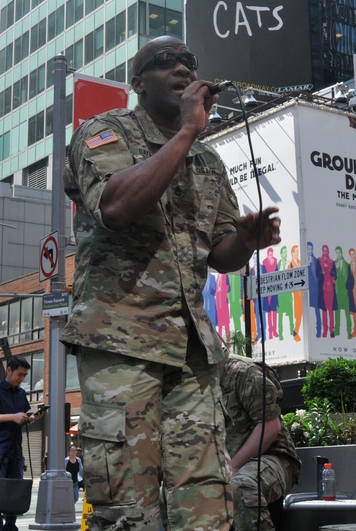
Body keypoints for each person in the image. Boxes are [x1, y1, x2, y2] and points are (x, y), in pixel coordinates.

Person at [61, 35, 282, 531]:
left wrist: (246, 239)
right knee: (128, 506)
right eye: (165, 62)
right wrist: (186, 132)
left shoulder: (208, 162)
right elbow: (116, 207)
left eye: (189, 61)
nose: (182, 69)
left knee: (206, 501)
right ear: (137, 84)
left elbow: (221, 253)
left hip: (192, 352)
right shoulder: (103, 131)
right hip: (121, 340)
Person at [220, 354, 301, 531]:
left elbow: (271, 426)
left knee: (241, 485)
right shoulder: (190, 382)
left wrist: (233, 467)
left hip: (274, 457)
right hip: (224, 463)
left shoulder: (244, 372)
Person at [0, 356, 35, 531]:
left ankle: (10, 527)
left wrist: (32, 418)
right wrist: (12, 417)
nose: (21, 379)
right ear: (9, 370)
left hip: (16, 450)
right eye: (19, 374)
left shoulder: (21, 393)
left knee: (14, 493)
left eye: (24, 376)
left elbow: (22, 418)